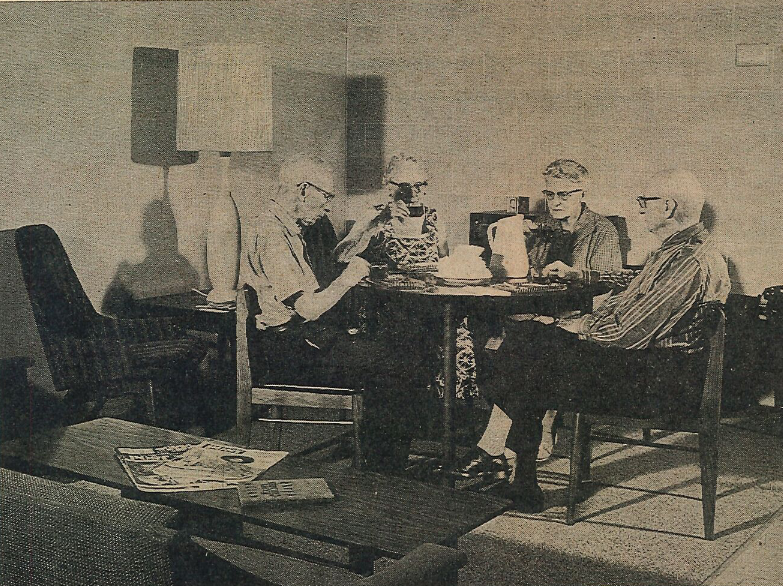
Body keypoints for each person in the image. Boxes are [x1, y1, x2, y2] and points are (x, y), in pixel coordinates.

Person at [477, 169, 730, 512]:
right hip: (650, 365)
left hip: (658, 381)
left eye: (645, 202)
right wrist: (580, 276)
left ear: (668, 207)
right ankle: (520, 474)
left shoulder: (689, 260)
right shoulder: (676, 251)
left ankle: (514, 469)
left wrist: (572, 326)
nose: (640, 209)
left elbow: (623, 332)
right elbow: (633, 284)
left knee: (525, 349)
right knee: (528, 349)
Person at [240, 155, 434, 473]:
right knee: (399, 361)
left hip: (300, 339)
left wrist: (367, 231)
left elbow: (328, 267)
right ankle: (385, 473)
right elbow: (309, 307)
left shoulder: (287, 228)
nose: (329, 206)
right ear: (303, 190)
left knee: (399, 352)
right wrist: (351, 276)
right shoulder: (273, 236)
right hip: (288, 351)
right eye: (327, 196)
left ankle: (382, 465)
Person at [462, 159, 622, 477]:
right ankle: (525, 428)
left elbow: (611, 283)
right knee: (496, 336)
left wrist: (575, 276)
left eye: (564, 194)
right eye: (550, 194)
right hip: (535, 316)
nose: (556, 202)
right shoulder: (543, 226)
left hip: (579, 320)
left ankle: (498, 443)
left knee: (526, 348)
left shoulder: (601, 230)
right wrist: (515, 242)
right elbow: (523, 272)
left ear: (582, 192)